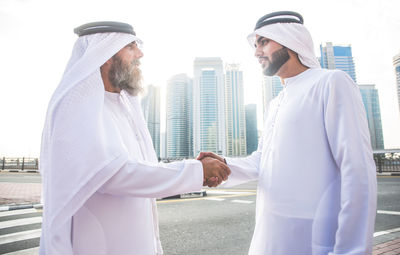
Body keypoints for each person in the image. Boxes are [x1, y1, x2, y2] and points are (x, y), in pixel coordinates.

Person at [39, 21, 230, 255]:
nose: (140, 54)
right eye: (131, 46)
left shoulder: (123, 108)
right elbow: (115, 174)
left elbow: (145, 170)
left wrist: (200, 170)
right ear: (106, 54)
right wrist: (196, 170)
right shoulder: (79, 108)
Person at [199, 11, 377, 255]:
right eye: (255, 44)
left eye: (263, 42)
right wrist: (223, 164)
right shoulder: (277, 102)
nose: (256, 52)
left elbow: (357, 170)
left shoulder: (331, 83)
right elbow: (263, 160)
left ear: (290, 41)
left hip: (313, 238)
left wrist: (351, 251)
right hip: (270, 235)